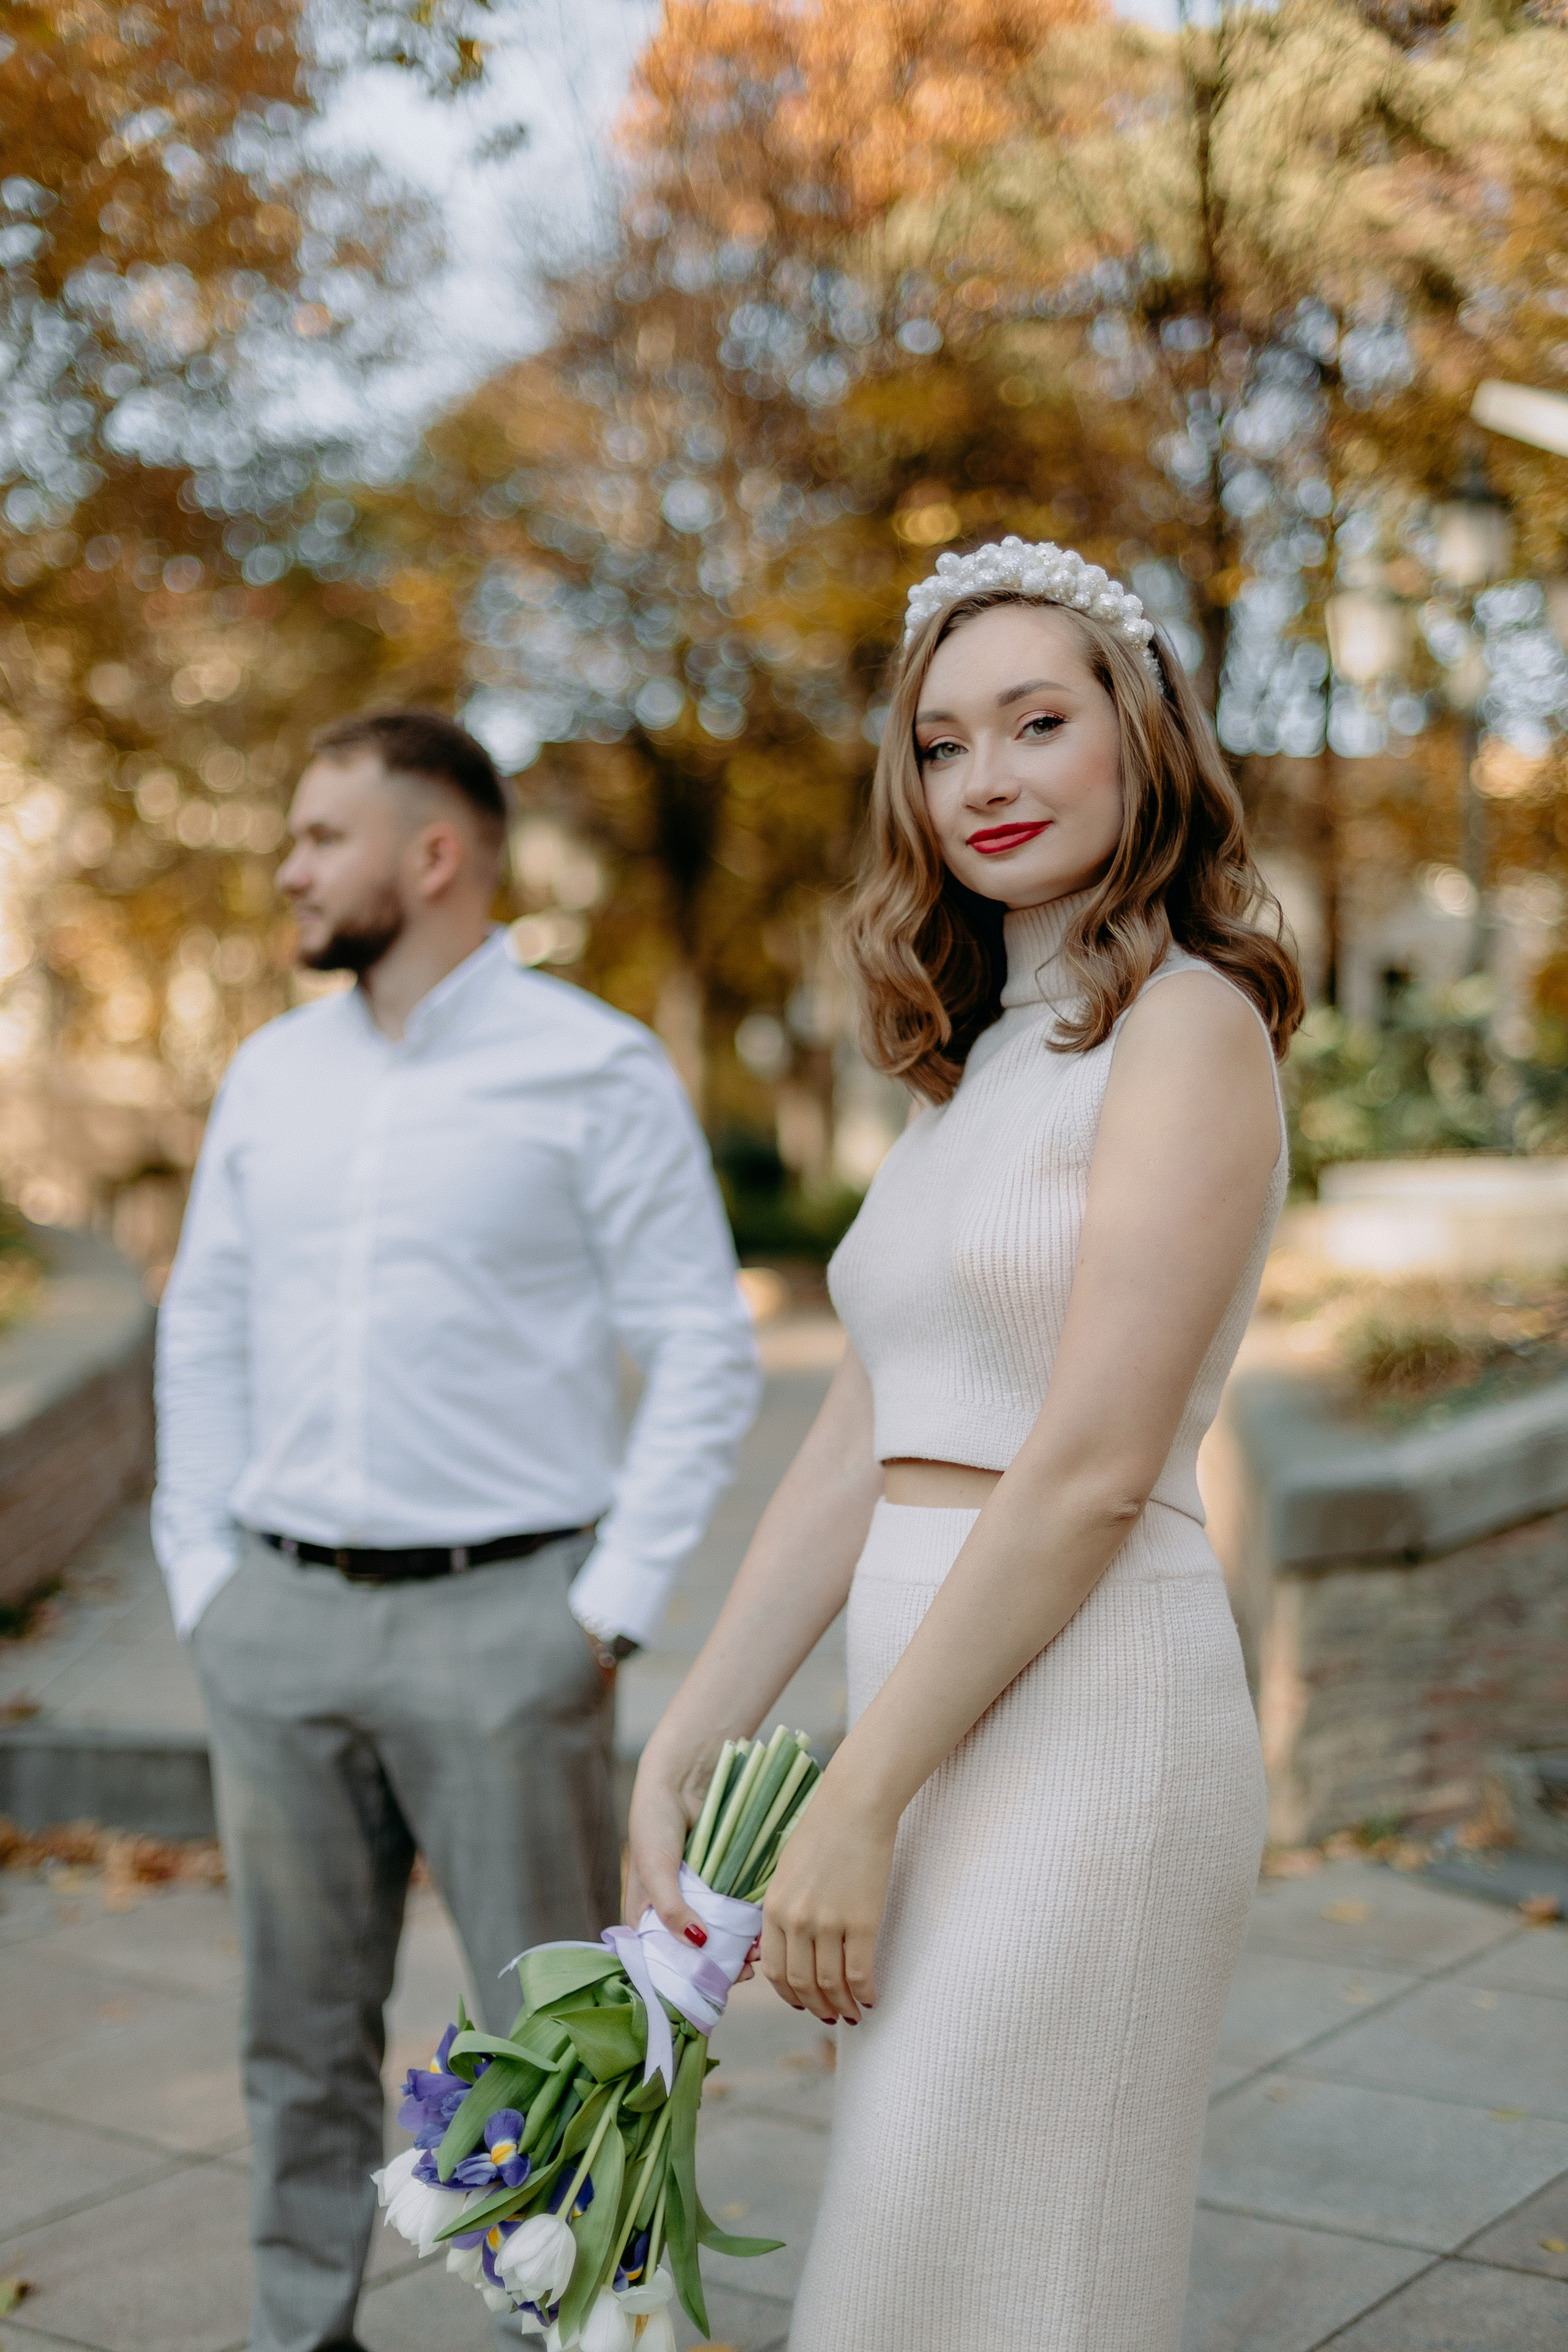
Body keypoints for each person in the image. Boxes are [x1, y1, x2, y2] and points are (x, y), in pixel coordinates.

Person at [627, 541, 1303, 2351]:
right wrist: (698, 1725)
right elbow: (872, 1423)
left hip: (1090, 1712)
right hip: (934, 1697)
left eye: (1036, 723)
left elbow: (1086, 1467)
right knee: (921, 2272)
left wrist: (853, 1792)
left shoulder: (1191, 1030)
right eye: (941, 746)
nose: (986, 778)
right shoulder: (984, 1063)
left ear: (1138, 741)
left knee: (999, 2271)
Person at [153, 707, 760, 2352]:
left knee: (551, 2033)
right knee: (295, 2029)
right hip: (274, 1623)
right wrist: (204, 1580)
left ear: (433, 856)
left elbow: (705, 1346)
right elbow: (200, 1331)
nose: (288, 868)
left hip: (512, 1631)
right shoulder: (272, 1075)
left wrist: (602, 1613)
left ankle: (567, 2336)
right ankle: (300, 2332)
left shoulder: (592, 1065)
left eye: (318, 837)